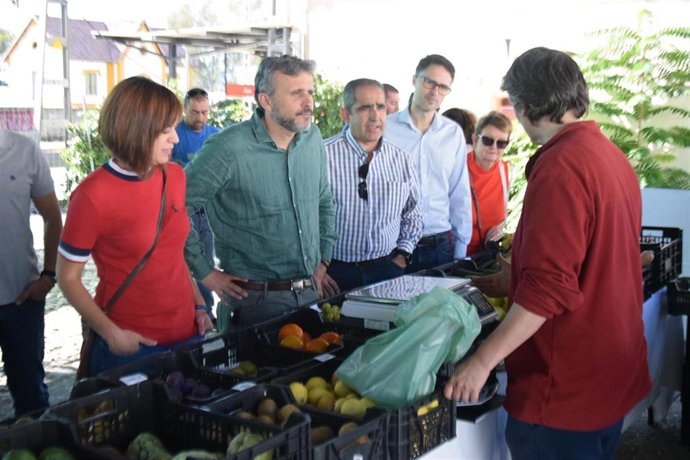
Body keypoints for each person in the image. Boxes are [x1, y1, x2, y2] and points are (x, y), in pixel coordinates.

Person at [444, 47, 651, 460]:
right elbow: (595, 257)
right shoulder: (611, 157)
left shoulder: (560, 166)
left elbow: (548, 291)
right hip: (608, 377)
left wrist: (483, 361)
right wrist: (514, 276)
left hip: (564, 392)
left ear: (523, 105)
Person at [57, 76, 213, 377]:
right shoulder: (92, 195)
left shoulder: (175, 177)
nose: (176, 139)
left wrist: (200, 307)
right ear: (137, 129)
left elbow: (172, 252)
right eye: (166, 130)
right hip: (131, 346)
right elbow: (68, 278)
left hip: (188, 335)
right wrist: (111, 333)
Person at [184, 55, 337, 332]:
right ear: (266, 101)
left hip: (310, 294)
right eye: (296, 93)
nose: (308, 102)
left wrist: (323, 258)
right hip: (254, 303)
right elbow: (175, 206)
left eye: (310, 92)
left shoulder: (312, 137)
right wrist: (205, 272)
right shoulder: (227, 148)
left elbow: (324, 201)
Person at [324, 78, 422, 291]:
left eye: (380, 106)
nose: (375, 115)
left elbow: (413, 214)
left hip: (387, 269)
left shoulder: (402, 160)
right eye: (364, 108)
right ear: (345, 115)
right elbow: (303, 221)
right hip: (334, 274)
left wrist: (403, 256)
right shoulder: (322, 156)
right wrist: (317, 267)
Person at [385, 54, 471, 271]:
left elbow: (459, 193)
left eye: (443, 87)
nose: (435, 91)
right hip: (392, 247)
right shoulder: (385, 129)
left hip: (439, 248)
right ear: (415, 79)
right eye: (430, 82)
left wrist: (461, 249)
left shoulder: (452, 134)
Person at [0, 128, 62, 417]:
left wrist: (48, 276)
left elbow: (52, 216)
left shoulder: (24, 150)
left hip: (21, 298)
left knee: (31, 395)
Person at [172, 88, 219, 320]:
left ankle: (206, 311)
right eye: (194, 113)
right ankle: (182, 310)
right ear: (184, 110)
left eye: (204, 112)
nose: (200, 118)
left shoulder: (216, 136)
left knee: (206, 263)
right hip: (179, 211)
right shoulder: (173, 135)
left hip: (208, 214)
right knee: (178, 263)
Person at [460, 110, 512, 256]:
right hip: (457, 256)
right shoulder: (458, 168)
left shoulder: (506, 171)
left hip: (489, 256)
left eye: (501, 143)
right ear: (475, 140)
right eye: (488, 140)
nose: (494, 147)